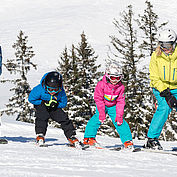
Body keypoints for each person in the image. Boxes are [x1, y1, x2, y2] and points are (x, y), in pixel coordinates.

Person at [83, 62, 133, 148]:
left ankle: (127, 141)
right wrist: (102, 113)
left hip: (113, 106)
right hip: (102, 104)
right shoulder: (101, 85)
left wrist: (119, 115)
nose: (115, 81)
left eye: (118, 78)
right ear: (108, 76)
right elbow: (98, 99)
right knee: (97, 118)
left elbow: (121, 101)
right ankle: (89, 138)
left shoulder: (120, 87)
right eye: (113, 78)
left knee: (120, 122)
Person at [28, 71, 81, 147]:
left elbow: (64, 103)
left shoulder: (61, 92)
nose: (52, 92)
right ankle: (40, 135)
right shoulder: (39, 89)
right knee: (42, 117)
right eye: (50, 89)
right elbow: (31, 99)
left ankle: (71, 136)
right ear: (45, 86)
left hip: (54, 107)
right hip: (41, 105)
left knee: (64, 118)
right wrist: (42, 102)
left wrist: (56, 104)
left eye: (55, 90)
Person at [144, 29, 177, 150]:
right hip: (160, 88)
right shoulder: (156, 56)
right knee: (164, 107)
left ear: (173, 44)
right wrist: (166, 93)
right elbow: (154, 77)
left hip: (176, 87)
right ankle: (152, 139)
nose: (165, 48)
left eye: (168, 45)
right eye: (162, 45)